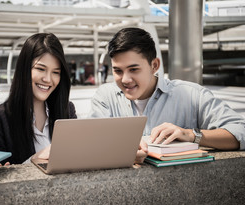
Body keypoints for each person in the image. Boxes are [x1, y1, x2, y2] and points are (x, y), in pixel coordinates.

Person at [89, 27, 245, 162]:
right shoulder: (105, 97)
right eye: (118, 71)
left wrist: (191, 134)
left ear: (154, 65)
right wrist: (121, 152)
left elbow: (240, 131)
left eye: (134, 69)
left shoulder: (191, 95)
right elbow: (89, 143)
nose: (125, 79)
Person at [0, 33, 77, 164]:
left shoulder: (67, 110)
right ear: (24, 69)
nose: (48, 79)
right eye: (40, 69)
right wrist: (31, 163)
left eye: (56, 72)